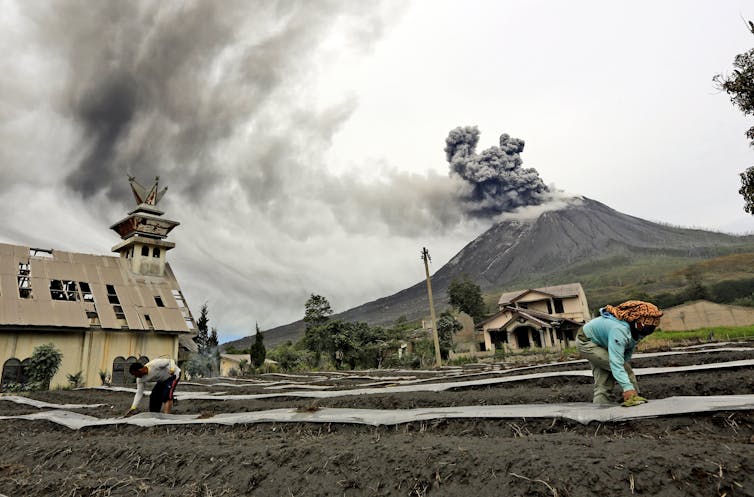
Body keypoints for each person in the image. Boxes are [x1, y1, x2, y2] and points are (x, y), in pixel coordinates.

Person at [576, 300, 663, 406]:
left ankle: (600, 409)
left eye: (651, 329)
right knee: (624, 369)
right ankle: (633, 397)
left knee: (603, 380)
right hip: (587, 342)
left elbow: (627, 351)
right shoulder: (619, 330)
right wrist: (627, 387)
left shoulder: (636, 331)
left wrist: (623, 367)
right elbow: (617, 363)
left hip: (602, 341)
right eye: (644, 326)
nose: (647, 331)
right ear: (635, 320)